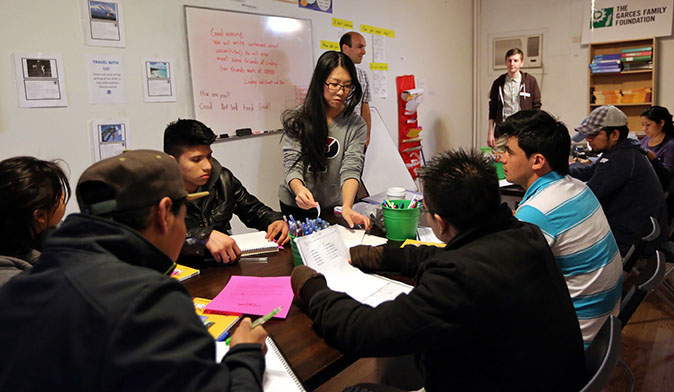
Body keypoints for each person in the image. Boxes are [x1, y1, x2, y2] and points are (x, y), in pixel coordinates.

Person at [290, 149, 585, 391]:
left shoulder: (457, 279)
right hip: (547, 377)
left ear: (440, 223)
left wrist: (312, 288)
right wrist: (384, 256)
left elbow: (360, 330)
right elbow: (453, 254)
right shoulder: (526, 235)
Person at [0, 150, 267, 391]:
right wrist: (246, 353)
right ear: (164, 213)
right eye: (184, 216)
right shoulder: (150, 300)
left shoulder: (19, 287)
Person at [499, 110, 623, 348]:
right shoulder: (577, 187)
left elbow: (503, 279)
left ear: (537, 161)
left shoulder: (539, 210)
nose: (501, 158)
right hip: (603, 327)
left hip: (574, 339)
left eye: (509, 152)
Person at [164, 119, 288, 264]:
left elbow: (254, 210)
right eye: (196, 160)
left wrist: (275, 220)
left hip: (223, 264)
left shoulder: (222, 178)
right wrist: (202, 237)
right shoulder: (157, 192)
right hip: (183, 270)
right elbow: (159, 240)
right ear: (172, 162)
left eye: (209, 156)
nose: (207, 166)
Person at [279, 50, 371, 229]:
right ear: (320, 82)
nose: (340, 92)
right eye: (334, 84)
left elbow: (352, 167)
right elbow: (292, 164)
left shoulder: (356, 124)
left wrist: (347, 206)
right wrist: (299, 190)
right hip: (297, 202)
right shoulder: (299, 119)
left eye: (347, 85)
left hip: (332, 204)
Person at [570, 105, 668, 256]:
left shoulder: (621, 158)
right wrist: (557, 169)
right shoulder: (622, 151)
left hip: (630, 239)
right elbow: (590, 170)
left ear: (614, 134)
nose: (588, 139)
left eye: (593, 134)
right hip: (637, 231)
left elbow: (588, 196)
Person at [0, 156, 70, 286]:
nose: (63, 197)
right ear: (40, 216)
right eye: (59, 194)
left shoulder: (24, 239)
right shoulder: (16, 283)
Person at [487, 48, 541, 148]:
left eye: (515, 60)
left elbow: (536, 107)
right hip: (502, 130)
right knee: (500, 159)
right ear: (506, 62)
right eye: (509, 60)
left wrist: (534, 131)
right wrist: (490, 133)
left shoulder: (530, 81)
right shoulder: (498, 83)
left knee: (521, 160)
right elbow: (492, 108)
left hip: (523, 131)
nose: (512, 63)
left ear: (521, 63)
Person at [340, 31, 372, 147]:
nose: (364, 52)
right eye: (360, 47)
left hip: (356, 137)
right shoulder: (331, 73)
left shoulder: (362, 75)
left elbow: (365, 108)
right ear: (345, 48)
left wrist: (367, 136)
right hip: (336, 136)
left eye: (364, 47)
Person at [640, 105, 674, 173]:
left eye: (648, 125)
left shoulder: (670, 145)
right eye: (642, 125)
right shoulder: (644, 140)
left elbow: (667, 176)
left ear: (661, 123)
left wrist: (653, 158)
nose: (644, 129)